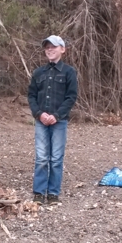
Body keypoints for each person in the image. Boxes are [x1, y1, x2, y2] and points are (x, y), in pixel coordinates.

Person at [27, 35, 78, 204]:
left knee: (56, 158)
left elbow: (71, 97)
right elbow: (31, 96)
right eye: (47, 47)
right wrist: (39, 114)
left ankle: (53, 193)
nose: (50, 49)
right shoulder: (38, 72)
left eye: (53, 47)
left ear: (62, 49)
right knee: (41, 157)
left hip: (60, 121)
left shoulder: (69, 72)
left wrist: (56, 116)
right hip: (41, 121)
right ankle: (39, 192)